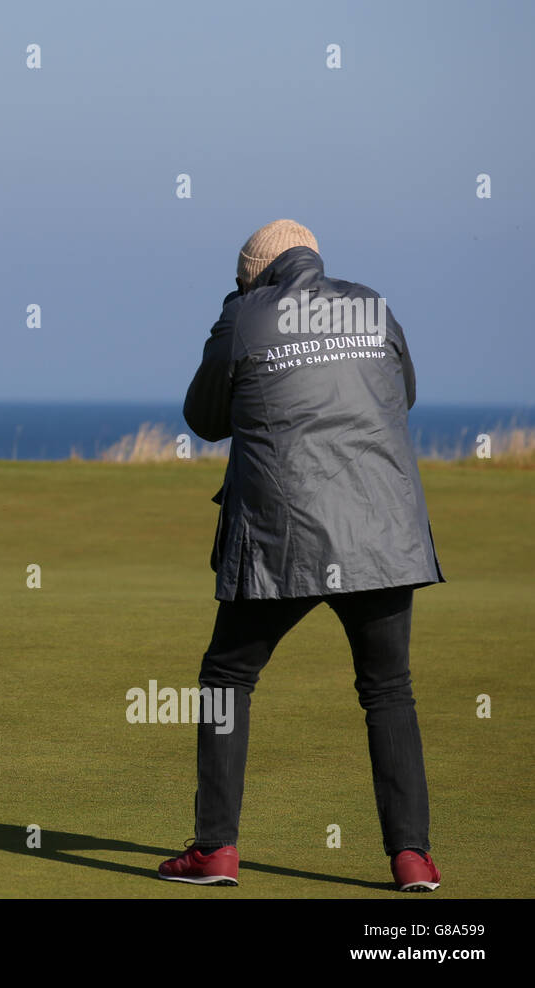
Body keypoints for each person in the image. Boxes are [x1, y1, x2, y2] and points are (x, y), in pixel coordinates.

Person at [159, 219, 445, 891]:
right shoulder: (372, 303)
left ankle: (216, 851)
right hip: (382, 534)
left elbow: (204, 419)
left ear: (252, 276)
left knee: (227, 677)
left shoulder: (245, 316)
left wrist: (232, 315)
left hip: (281, 537)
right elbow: (399, 397)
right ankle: (412, 859)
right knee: (388, 690)